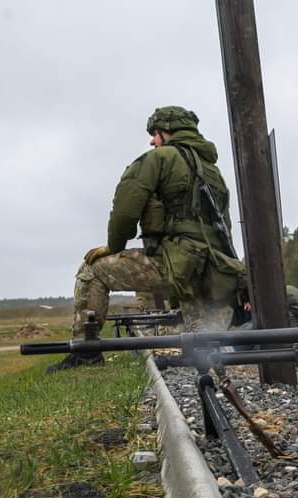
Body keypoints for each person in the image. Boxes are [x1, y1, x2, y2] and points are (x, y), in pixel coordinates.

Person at [47, 106, 247, 372]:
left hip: (178, 265)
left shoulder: (160, 159)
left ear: (169, 132)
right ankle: (200, 341)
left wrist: (113, 246)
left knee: (91, 270)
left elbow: (126, 208)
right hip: (211, 272)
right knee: (200, 341)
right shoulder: (213, 172)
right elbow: (224, 230)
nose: (152, 140)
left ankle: (86, 353)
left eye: (155, 133)